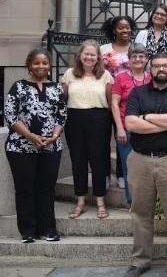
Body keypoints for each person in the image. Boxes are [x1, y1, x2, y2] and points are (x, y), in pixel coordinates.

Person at [123, 53, 167, 277]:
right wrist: (165, 123)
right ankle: (140, 261)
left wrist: (148, 117)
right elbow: (130, 123)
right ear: (150, 69)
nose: (161, 69)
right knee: (141, 213)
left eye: (165, 65)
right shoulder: (137, 93)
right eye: (156, 66)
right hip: (140, 159)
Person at [4, 48, 67, 243]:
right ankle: (28, 231)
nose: (41, 66)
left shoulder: (57, 88)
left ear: (50, 66)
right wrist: (31, 136)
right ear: (29, 65)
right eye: (36, 63)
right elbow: (10, 115)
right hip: (21, 148)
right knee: (25, 189)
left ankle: (48, 229)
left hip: (51, 147)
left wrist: (54, 136)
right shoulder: (18, 87)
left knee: (46, 188)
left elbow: (61, 115)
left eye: (44, 63)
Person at [61, 40, 113, 220]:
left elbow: (110, 102)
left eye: (93, 54)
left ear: (98, 57)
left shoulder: (105, 75)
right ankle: (80, 202)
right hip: (75, 119)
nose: (89, 57)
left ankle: (100, 202)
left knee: (99, 161)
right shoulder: (69, 74)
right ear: (80, 55)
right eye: (86, 54)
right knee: (78, 161)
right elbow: (63, 99)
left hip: (99, 119)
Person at [110, 43, 151, 206]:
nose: (138, 59)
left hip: (147, 130)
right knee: (130, 168)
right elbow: (114, 104)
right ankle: (132, 201)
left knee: (147, 167)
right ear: (129, 59)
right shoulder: (120, 77)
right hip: (126, 130)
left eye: (141, 56)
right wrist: (119, 128)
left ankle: (147, 202)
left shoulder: (151, 78)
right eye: (134, 56)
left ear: (146, 59)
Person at [100, 15, 136, 189]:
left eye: (127, 27)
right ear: (114, 30)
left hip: (129, 101)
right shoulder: (104, 49)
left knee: (124, 139)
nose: (125, 30)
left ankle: (122, 173)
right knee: (105, 139)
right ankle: (105, 174)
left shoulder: (135, 49)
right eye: (121, 27)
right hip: (107, 100)